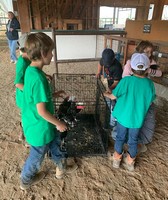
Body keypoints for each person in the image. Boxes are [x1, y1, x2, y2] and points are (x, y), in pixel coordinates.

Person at [20, 32, 78, 190]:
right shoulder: (39, 79)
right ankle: (25, 180)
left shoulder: (31, 71)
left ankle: (61, 168)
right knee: (37, 156)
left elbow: (36, 98)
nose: (52, 55)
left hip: (36, 124)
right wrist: (59, 123)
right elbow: (42, 112)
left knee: (56, 144)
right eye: (51, 52)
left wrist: (53, 95)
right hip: (41, 127)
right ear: (43, 53)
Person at [104, 53, 156, 171]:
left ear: (131, 68)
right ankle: (130, 162)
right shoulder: (149, 84)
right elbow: (150, 101)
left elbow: (113, 96)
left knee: (120, 137)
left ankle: (116, 160)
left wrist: (106, 94)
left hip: (123, 117)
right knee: (133, 140)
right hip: (137, 120)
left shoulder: (126, 81)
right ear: (147, 69)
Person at [122, 40, 162, 150]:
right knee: (131, 115)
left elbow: (159, 73)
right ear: (140, 50)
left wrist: (148, 70)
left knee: (146, 116)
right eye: (146, 51)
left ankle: (142, 139)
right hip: (133, 92)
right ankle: (126, 138)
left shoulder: (150, 62)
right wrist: (137, 72)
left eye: (150, 52)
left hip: (144, 94)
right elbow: (125, 76)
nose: (149, 54)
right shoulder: (131, 62)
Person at [96, 48, 123, 139]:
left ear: (113, 58)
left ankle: (113, 123)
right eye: (105, 62)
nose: (106, 64)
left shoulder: (117, 67)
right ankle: (110, 111)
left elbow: (117, 82)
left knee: (114, 103)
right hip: (107, 82)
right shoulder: (103, 60)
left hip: (115, 86)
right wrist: (98, 72)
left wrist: (110, 89)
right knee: (108, 101)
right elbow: (100, 64)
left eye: (108, 63)